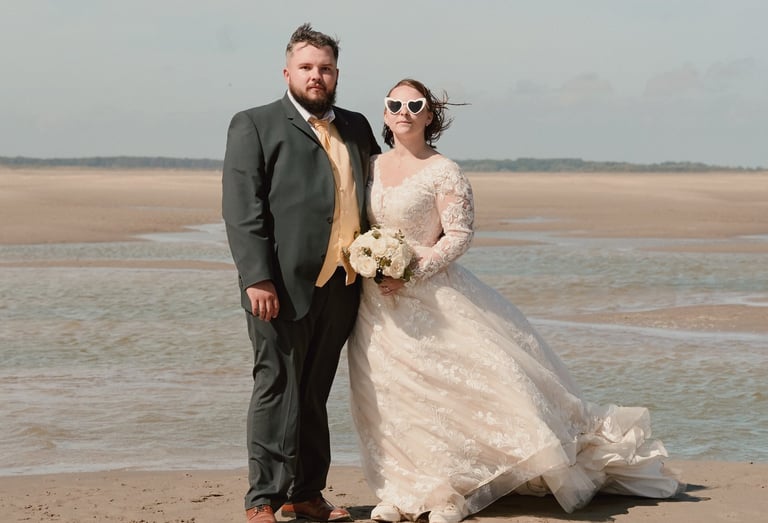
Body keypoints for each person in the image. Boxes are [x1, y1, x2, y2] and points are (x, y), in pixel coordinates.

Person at [347, 79, 684, 523]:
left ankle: (450, 496)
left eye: (415, 104)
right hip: (376, 306)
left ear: (430, 115)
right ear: (385, 113)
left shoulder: (445, 170)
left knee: (448, 392)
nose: (404, 110)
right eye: (395, 104)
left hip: (431, 295)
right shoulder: (370, 166)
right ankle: (401, 492)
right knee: (389, 396)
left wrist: (411, 271)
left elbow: (460, 236)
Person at [222, 23, 381, 523]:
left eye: (326, 68)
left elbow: (376, 197)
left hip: (344, 284)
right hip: (280, 285)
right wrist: (256, 277)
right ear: (287, 71)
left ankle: (307, 493)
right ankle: (263, 499)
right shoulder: (254, 123)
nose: (317, 76)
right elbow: (241, 209)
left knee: (315, 390)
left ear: (337, 74)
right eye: (307, 67)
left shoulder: (356, 126)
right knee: (275, 385)